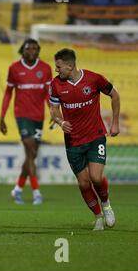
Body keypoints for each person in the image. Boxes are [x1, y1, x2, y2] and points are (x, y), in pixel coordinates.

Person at [50, 48, 119, 231]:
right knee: (83, 182)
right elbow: (54, 110)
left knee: (96, 177)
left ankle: (106, 206)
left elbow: (115, 95)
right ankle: (97, 217)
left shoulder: (94, 79)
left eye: (58, 66)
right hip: (73, 141)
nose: (56, 70)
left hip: (95, 136)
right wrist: (60, 121)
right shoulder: (55, 85)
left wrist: (115, 123)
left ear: (70, 65)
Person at [0, 39, 52, 205]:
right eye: (29, 48)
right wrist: (2, 117)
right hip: (22, 115)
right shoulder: (14, 68)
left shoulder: (45, 68)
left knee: (31, 155)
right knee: (30, 148)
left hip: (39, 117)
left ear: (38, 51)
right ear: (23, 50)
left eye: (35, 48)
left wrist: (54, 112)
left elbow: (48, 94)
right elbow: (8, 93)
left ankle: (18, 189)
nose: (32, 51)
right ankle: (37, 192)